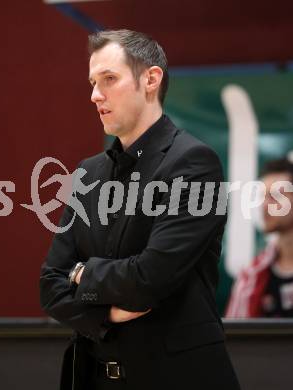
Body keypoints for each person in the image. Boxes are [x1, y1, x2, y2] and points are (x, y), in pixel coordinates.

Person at [40, 29, 240, 390]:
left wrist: (83, 274)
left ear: (150, 79)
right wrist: (108, 314)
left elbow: (149, 280)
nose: (94, 94)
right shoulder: (87, 172)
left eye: (109, 79)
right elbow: (50, 286)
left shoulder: (194, 163)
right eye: (92, 82)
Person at [226, 158, 293, 318]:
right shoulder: (251, 276)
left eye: (276, 196)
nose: (264, 205)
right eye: (264, 196)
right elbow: (237, 339)